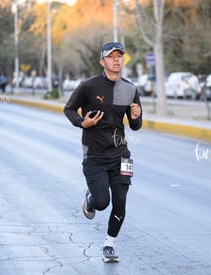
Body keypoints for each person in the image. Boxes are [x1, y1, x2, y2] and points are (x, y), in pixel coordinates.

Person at [63, 42, 142, 262]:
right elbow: (68, 109)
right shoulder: (88, 86)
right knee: (102, 202)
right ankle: (90, 198)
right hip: (95, 155)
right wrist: (82, 123)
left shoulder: (130, 89)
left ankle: (109, 244)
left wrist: (136, 117)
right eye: (112, 56)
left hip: (121, 155)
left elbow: (135, 125)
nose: (117, 60)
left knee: (120, 201)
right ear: (102, 61)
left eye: (120, 56)